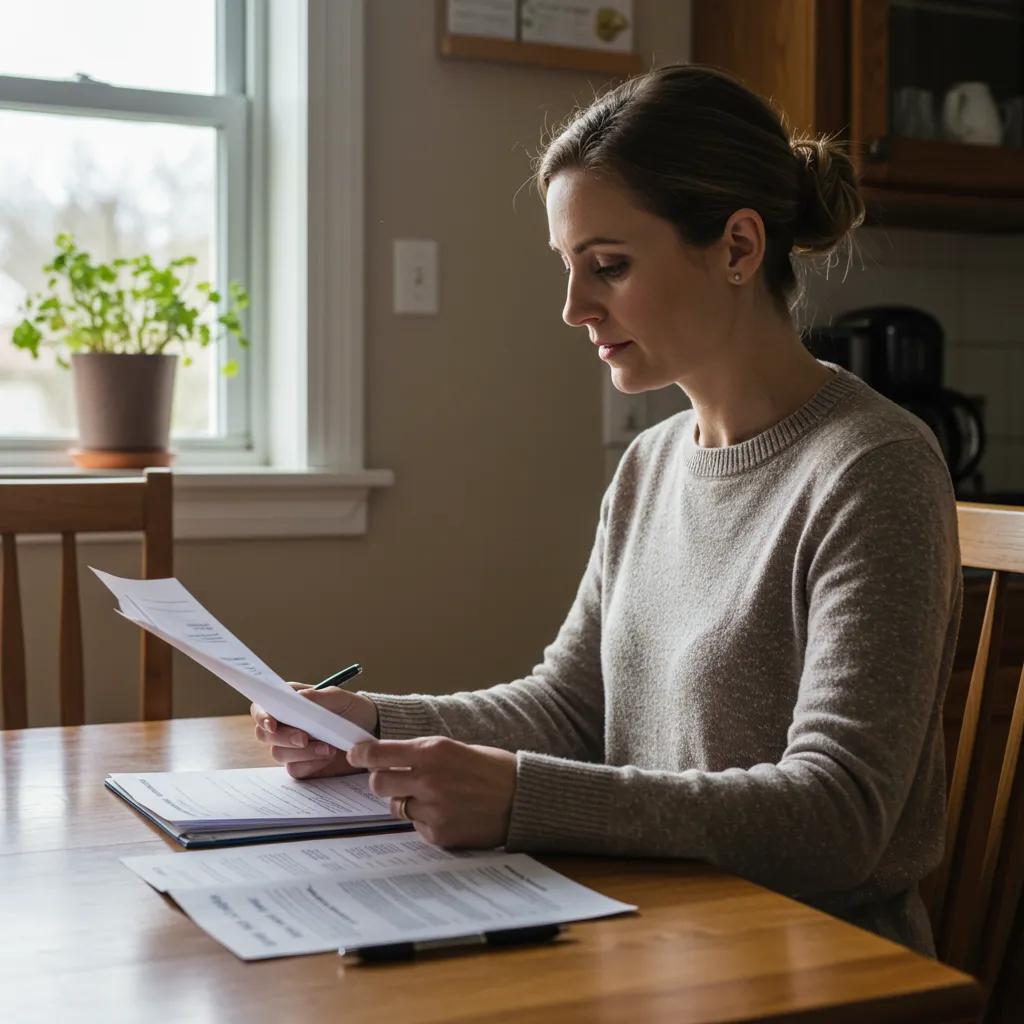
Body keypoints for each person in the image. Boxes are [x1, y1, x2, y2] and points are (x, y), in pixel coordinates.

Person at [251, 64, 961, 956]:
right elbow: (572, 706)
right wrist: (373, 726)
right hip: (654, 935)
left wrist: (521, 798)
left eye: (609, 267)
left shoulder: (874, 468)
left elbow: (838, 815)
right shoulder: (652, 464)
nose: (574, 308)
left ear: (740, 248)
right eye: (568, 267)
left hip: (820, 963)